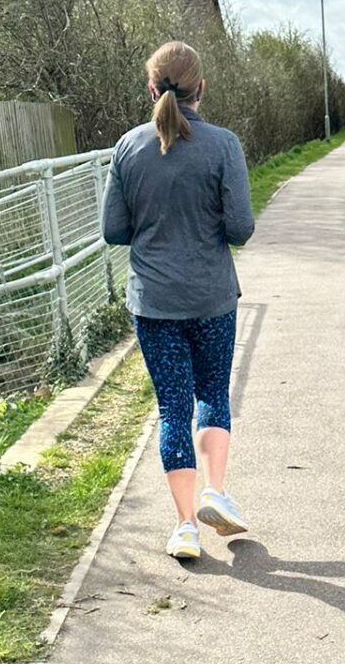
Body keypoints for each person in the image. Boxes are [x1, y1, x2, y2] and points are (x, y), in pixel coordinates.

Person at [102, 40, 256, 563]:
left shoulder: (127, 148)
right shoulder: (224, 146)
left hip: (154, 301)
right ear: (201, 89)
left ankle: (186, 527)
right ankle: (216, 491)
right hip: (212, 296)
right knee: (213, 391)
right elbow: (240, 229)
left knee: (172, 406)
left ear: (151, 89)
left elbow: (113, 230)